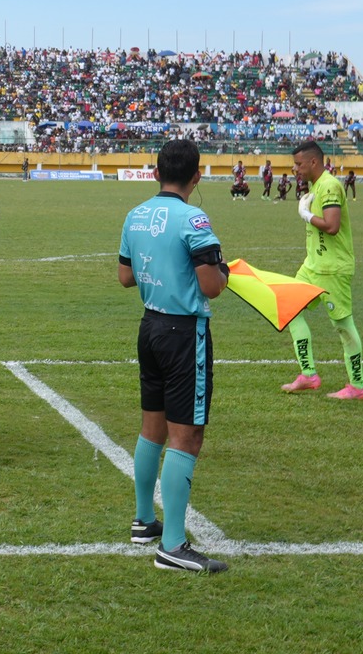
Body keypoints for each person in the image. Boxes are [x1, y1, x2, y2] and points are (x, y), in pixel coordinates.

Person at [117, 138, 229, 573]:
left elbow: (125, 276)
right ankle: (174, 545)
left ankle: (144, 521)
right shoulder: (195, 218)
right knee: (187, 437)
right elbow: (211, 286)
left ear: (155, 172)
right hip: (185, 334)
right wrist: (223, 269)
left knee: (153, 430)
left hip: (150, 327)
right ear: (197, 176)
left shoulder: (136, 214)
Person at [280, 139, 363, 401]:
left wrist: (306, 215)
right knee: (290, 309)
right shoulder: (316, 186)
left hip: (332, 269)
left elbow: (331, 226)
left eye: (298, 164)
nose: (295, 169)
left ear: (313, 162)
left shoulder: (329, 185)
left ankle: (357, 386)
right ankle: (308, 374)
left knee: (342, 325)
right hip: (312, 266)